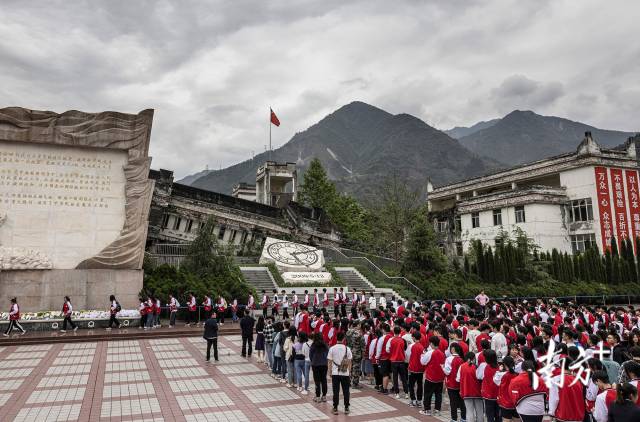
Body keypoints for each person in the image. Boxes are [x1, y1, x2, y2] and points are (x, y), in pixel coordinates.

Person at [327, 331, 352, 415]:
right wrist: (350, 371)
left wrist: (329, 372)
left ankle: (335, 408)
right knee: (346, 391)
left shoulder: (332, 348)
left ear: (336, 338)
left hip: (335, 373)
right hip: (345, 373)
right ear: (344, 339)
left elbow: (329, 361)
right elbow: (349, 361)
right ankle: (346, 408)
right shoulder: (347, 349)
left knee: (336, 391)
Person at [421, 335, 445, 416]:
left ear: (431, 343)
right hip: (440, 377)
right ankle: (437, 410)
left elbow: (423, 362)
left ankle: (427, 410)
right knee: (438, 394)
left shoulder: (429, 353)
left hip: (431, 377)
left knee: (428, 394)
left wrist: (422, 355)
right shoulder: (442, 353)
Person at [458, 352, 483, 422]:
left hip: (466, 391)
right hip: (478, 392)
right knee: (480, 411)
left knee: (469, 412)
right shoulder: (477, 367)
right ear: (474, 358)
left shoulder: (462, 366)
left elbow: (458, 379)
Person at [444, 342, 465, 422]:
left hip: (451, 383)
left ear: (452, 349)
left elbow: (447, 372)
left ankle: (454, 418)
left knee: (453, 402)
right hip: (460, 384)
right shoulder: (462, 359)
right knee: (461, 401)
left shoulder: (449, 359)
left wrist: (443, 368)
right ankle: (463, 418)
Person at [477, 349, 500, 422]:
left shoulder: (487, 367)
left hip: (488, 394)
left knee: (490, 415)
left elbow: (480, 376)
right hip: (498, 394)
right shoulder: (499, 367)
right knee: (498, 415)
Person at [407, 331, 425, 407]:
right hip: (420, 369)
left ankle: (413, 400)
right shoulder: (422, 347)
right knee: (419, 385)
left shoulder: (411, 346)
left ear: (414, 337)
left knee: (411, 385)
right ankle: (419, 401)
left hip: (412, 368)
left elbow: (407, 355)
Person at [310, 332, 329, 403]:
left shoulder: (313, 345)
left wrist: (313, 361)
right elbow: (328, 354)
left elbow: (310, 355)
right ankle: (324, 396)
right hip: (324, 364)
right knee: (324, 380)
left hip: (315, 364)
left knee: (317, 381)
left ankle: (317, 397)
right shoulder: (325, 345)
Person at [346, 320, 365, 388]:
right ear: (357, 325)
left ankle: (348, 382)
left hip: (349, 352)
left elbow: (346, 342)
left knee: (349, 367)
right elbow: (362, 345)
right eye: (359, 325)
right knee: (356, 368)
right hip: (357, 353)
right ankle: (355, 383)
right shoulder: (359, 333)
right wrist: (363, 354)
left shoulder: (348, 332)